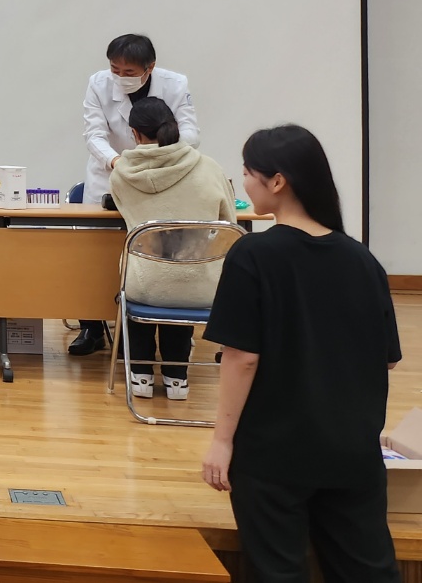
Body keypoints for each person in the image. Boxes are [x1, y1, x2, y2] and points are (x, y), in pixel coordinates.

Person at [202, 125, 401, 583]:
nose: (243, 183)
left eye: (247, 173)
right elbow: (387, 358)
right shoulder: (363, 260)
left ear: (277, 181)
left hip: (274, 453)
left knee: (278, 572)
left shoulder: (253, 254)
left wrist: (222, 441)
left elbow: (242, 358)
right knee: (369, 572)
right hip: (353, 450)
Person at [74, 33, 199, 355]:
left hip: (161, 177)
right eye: (115, 69)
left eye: (129, 72)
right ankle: (91, 328)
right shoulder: (98, 83)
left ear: (149, 67)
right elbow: (94, 134)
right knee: (94, 256)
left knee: (157, 252)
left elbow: (190, 133)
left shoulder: (175, 84)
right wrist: (118, 162)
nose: (120, 77)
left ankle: (162, 328)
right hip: (111, 175)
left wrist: (156, 157)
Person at [109, 97, 235, 400]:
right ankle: (177, 377)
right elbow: (230, 225)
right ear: (175, 127)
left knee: (142, 277)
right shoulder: (209, 168)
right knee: (185, 275)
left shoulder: (122, 174)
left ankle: (140, 374)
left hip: (144, 285)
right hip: (202, 288)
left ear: (135, 134)